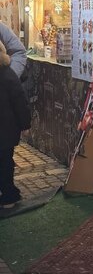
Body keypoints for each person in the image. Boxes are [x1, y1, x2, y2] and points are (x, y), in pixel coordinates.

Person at [0, 41, 31, 207]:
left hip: (5, 129)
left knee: (4, 162)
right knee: (5, 161)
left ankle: (9, 194)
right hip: (7, 129)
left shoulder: (7, 75)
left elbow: (19, 102)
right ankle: (9, 194)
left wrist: (25, 124)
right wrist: (25, 124)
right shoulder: (8, 74)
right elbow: (20, 101)